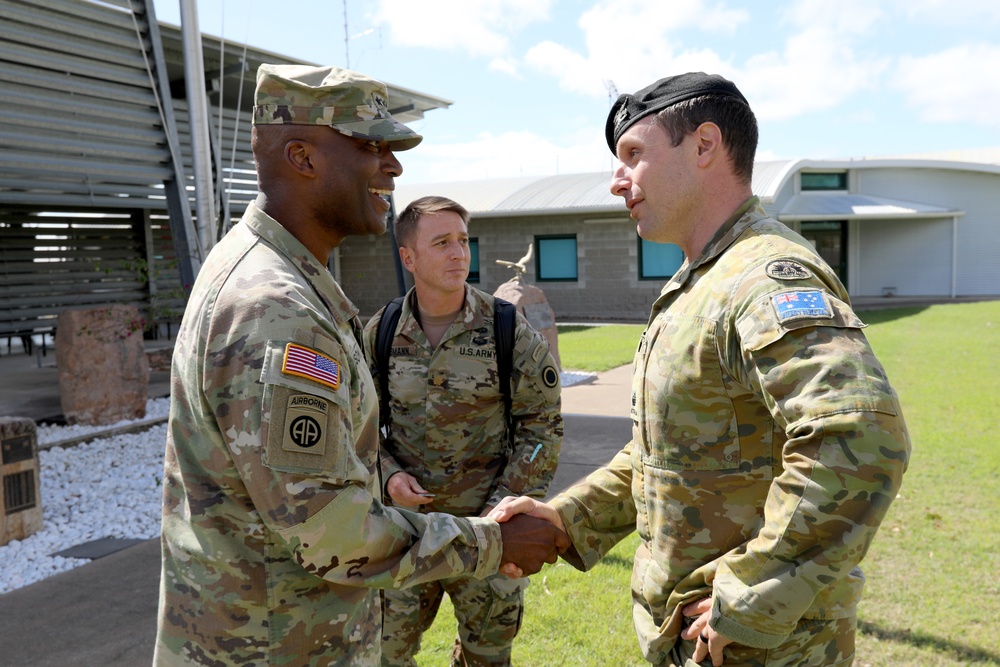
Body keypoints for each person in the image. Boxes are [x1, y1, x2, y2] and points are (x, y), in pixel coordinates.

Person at [490, 72, 910, 667]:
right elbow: (664, 454)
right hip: (696, 636)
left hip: (761, 645)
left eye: (633, 154)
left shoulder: (762, 276)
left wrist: (750, 594)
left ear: (705, 145)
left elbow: (859, 437)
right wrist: (565, 519)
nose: (617, 181)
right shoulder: (700, 283)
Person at [153, 63, 567, 667]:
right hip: (274, 645)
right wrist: (492, 541)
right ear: (302, 156)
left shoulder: (274, 276)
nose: (393, 166)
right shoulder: (279, 308)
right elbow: (329, 530)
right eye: (371, 146)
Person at [363, 196, 563, 667]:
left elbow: (543, 423)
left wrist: (508, 503)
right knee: (383, 654)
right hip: (406, 533)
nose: (458, 254)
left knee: (487, 658)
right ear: (408, 257)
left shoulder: (505, 327)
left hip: (488, 532)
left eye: (463, 241)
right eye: (441, 243)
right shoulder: (383, 330)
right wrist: (388, 474)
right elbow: (358, 425)